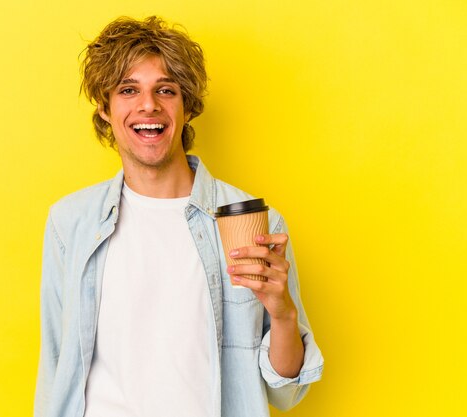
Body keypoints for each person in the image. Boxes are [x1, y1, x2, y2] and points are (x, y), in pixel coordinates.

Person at [34, 16, 323, 417]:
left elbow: (286, 392)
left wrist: (283, 313)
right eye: (128, 90)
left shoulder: (257, 223)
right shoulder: (71, 224)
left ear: (187, 107)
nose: (147, 105)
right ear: (105, 108)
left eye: (165, 90)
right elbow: (55, 367)